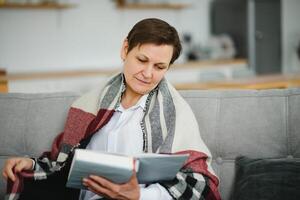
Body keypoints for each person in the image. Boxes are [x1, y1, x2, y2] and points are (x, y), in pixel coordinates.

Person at [2, 18, 220, 200]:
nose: (147, 73)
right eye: (142, 60)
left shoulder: (176, 114)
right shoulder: (92, 104)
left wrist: (140, 196)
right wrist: (30, 163)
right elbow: (62, 163)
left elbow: (201, 183)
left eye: (159, 67)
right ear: (125, 49)